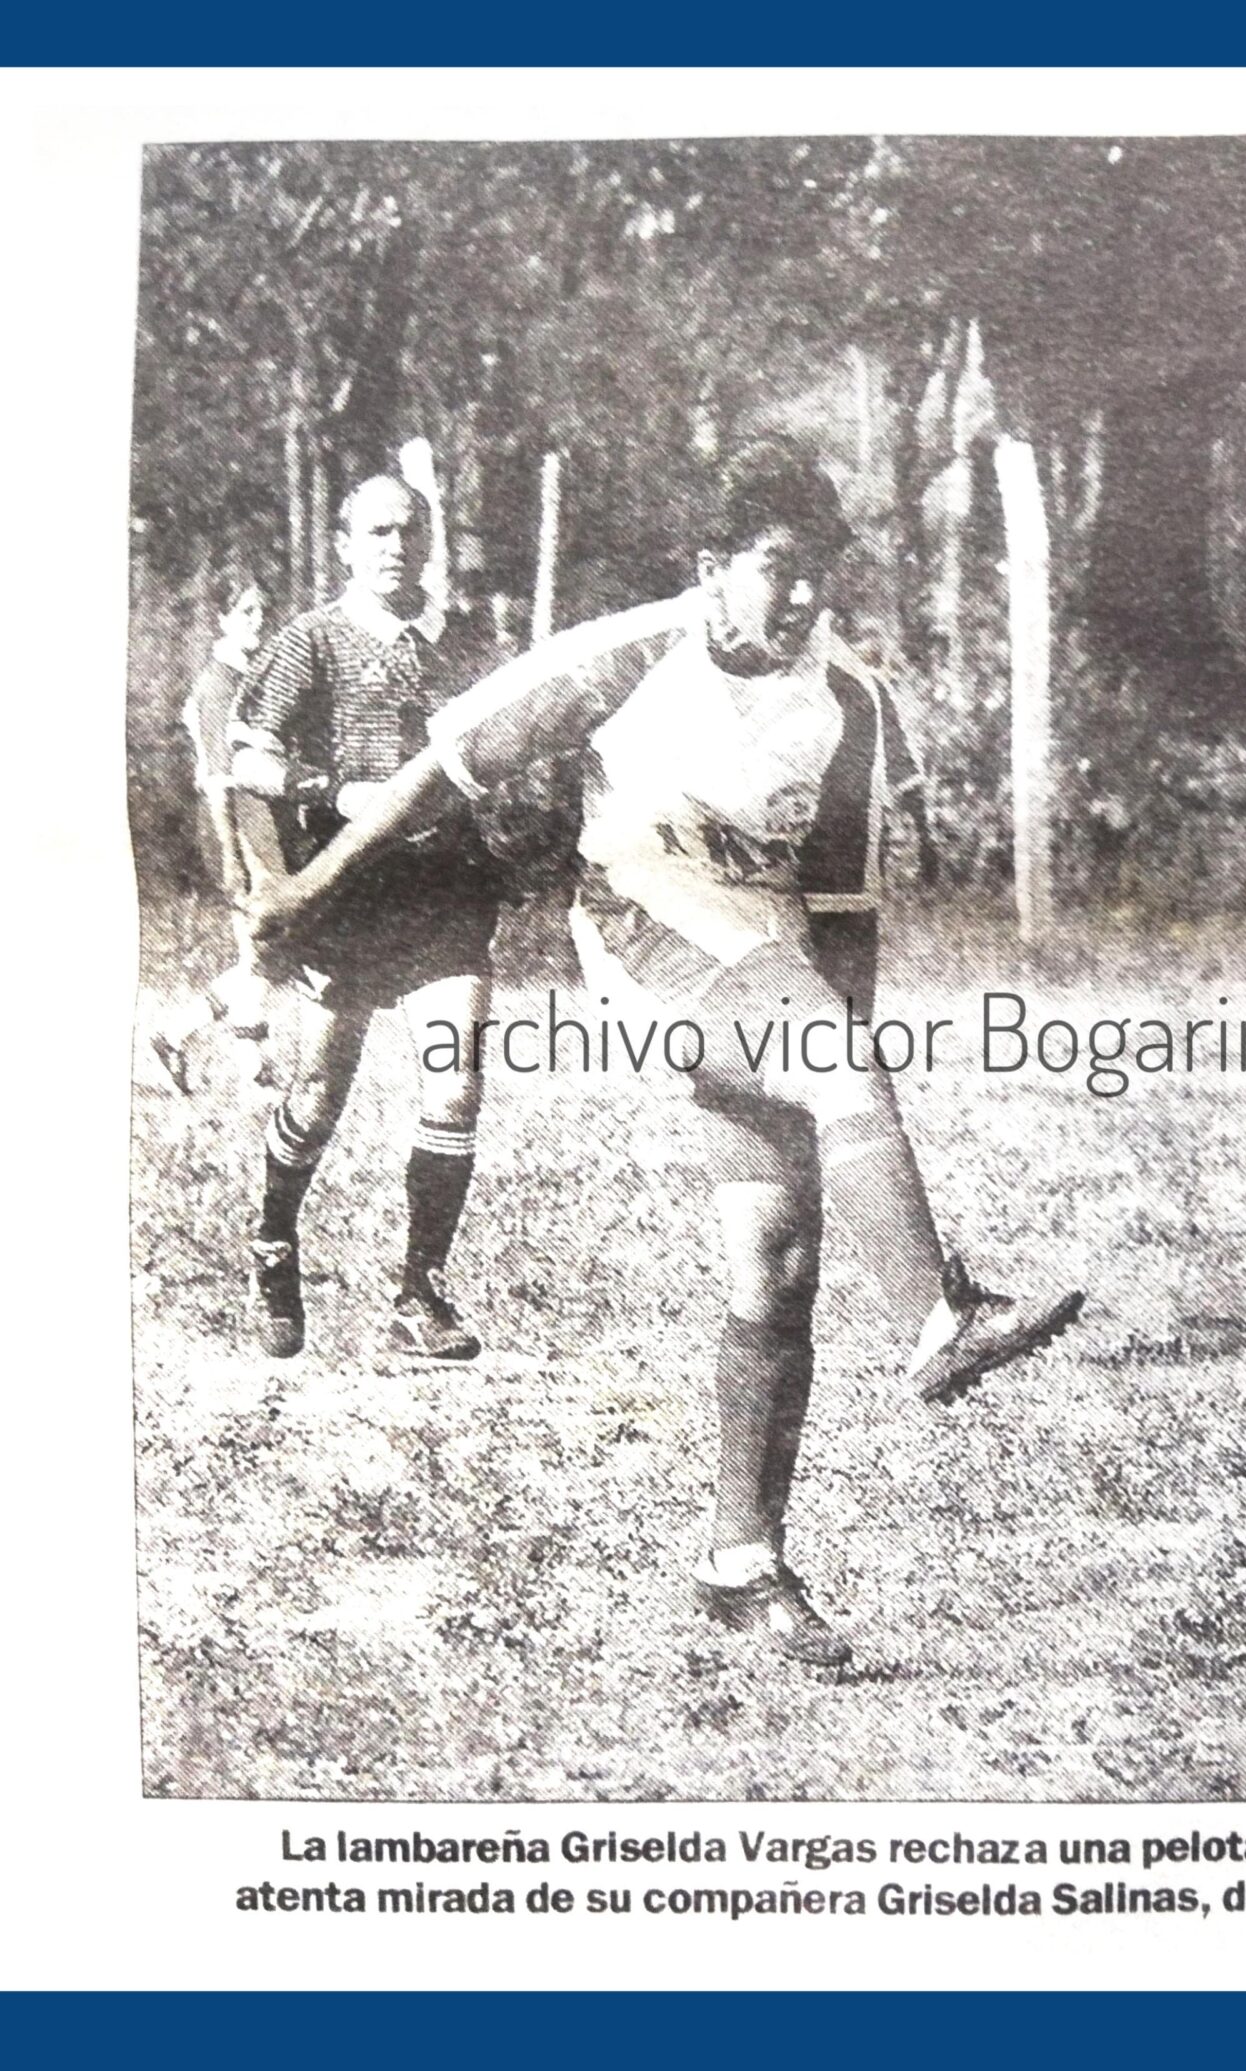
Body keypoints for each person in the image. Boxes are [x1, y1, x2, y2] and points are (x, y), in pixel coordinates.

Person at [249, 437, 1083, 1667]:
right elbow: (443, 772)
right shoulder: (632, 652)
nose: (800, 598)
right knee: (821, 1072)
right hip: (640, 929)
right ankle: (936, 1315)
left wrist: (836, 1078)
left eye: (819, 575)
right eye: (775, 569)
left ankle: (740, 1559)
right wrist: (311, 881)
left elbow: (848, 909)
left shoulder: (851, 700)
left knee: (776, 1261)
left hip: (769, 964)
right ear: (711, 567)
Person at [229, 476, 506, 1363]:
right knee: (317, 1099)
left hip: (443, 897)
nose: (396, 545)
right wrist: (334, 789)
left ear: (430, 542)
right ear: (345, 544)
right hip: (345, 896)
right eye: (377, 531)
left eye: (410, 529)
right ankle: (273, 1244)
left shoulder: (461, 643)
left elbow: (504, 744)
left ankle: (417, 1294)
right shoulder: (312, 640)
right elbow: (249, 763)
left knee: (454, 1082)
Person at [149, 568, 275, 1094]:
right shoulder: (217, 684)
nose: (258, 620)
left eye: (262, 610)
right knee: (271, 945)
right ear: (222, 619)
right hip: (231, 820)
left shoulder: (248, 675)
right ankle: (176, 1033)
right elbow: (219, 776)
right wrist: (230, 853)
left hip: (256, 818)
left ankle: (252, 1071)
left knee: (261, 948)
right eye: (246, 611)